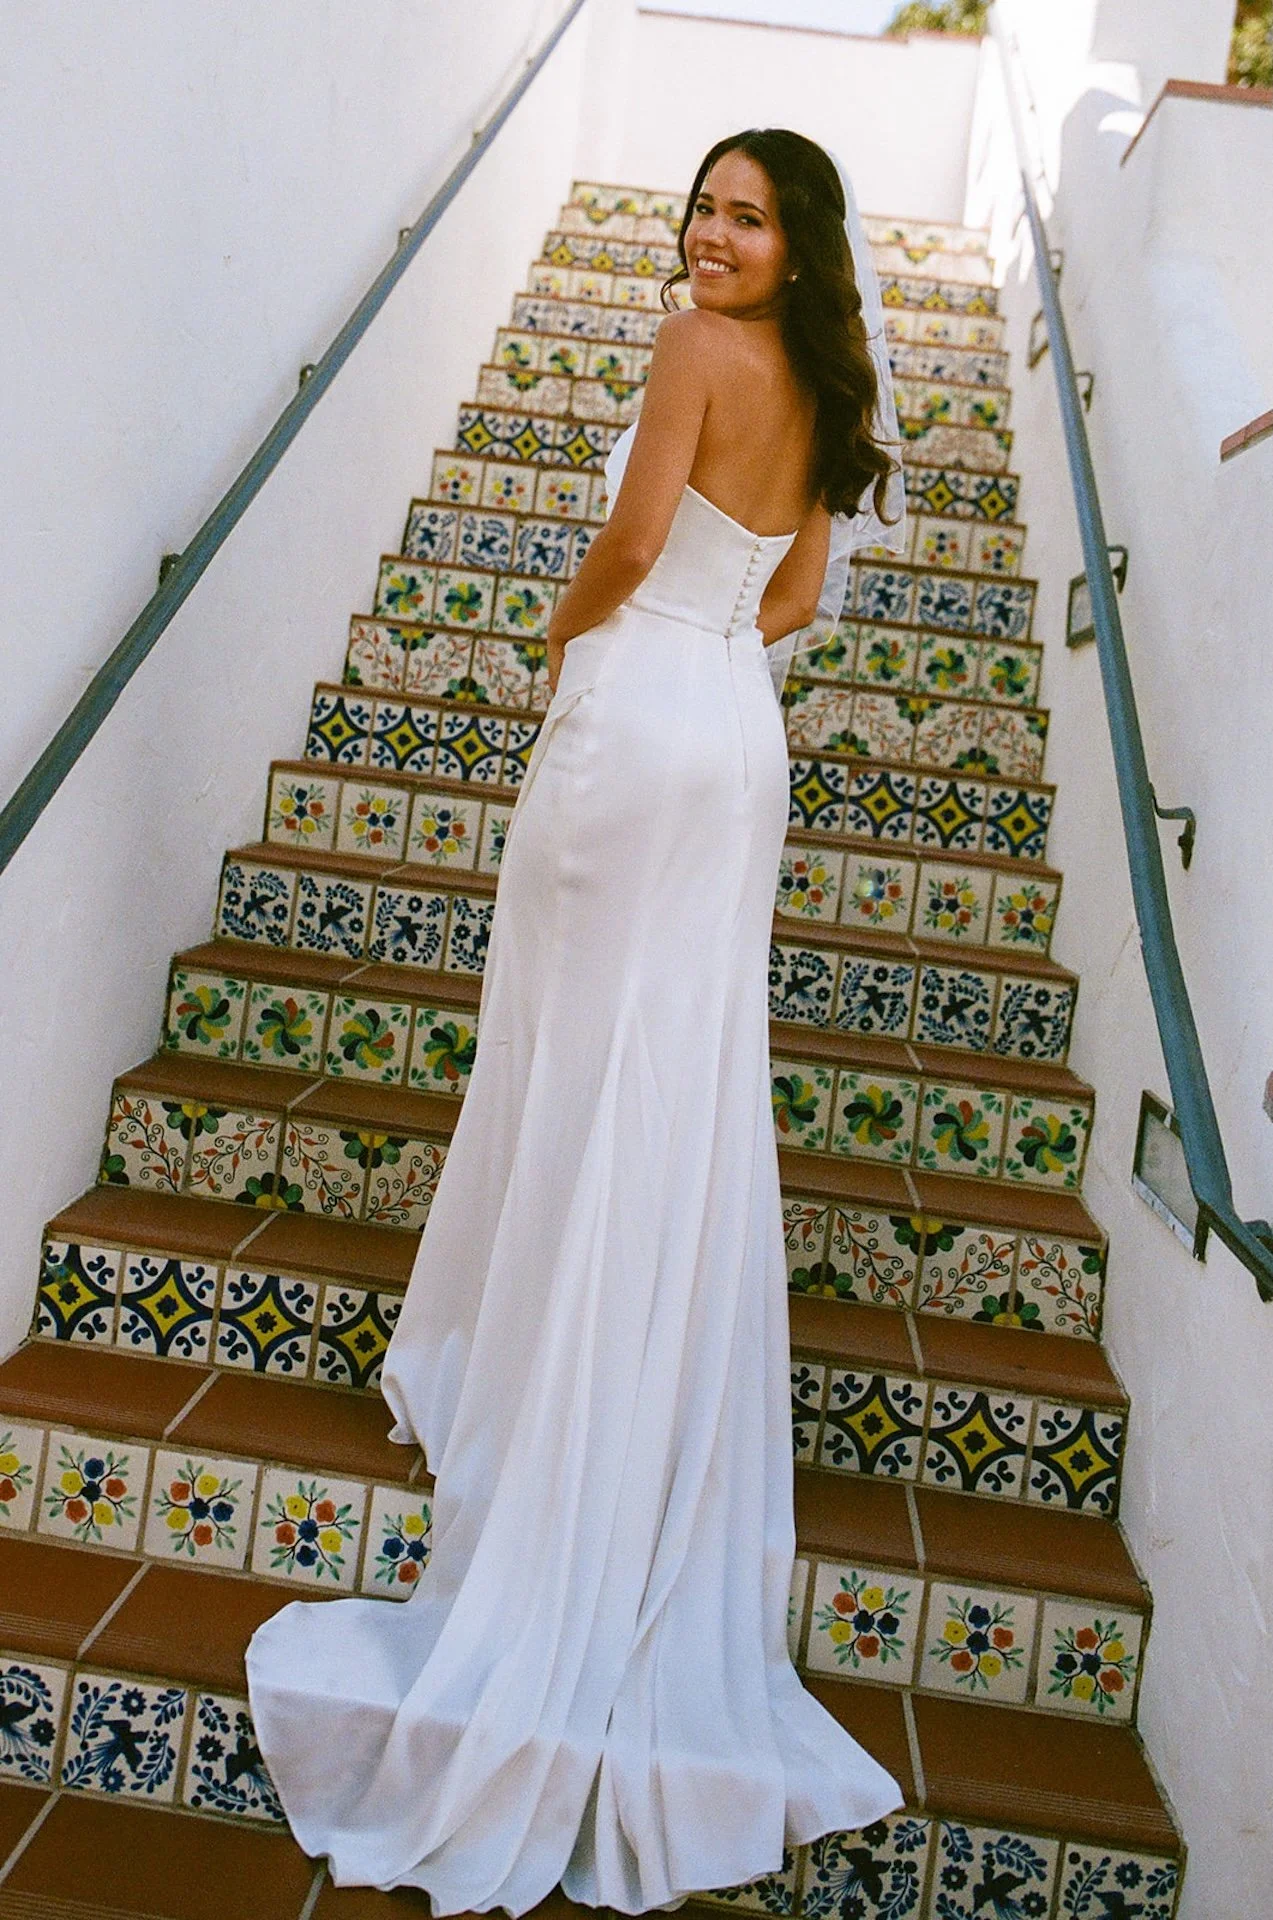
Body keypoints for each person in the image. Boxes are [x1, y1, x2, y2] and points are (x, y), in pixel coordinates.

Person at [245, 126, 907, 1918]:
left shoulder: (692, 351)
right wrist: (695, 658)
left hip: (634, 719)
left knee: (567, 1062)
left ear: (795, 243)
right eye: (702, 205)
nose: (710, 234)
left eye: (745, 216)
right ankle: (630, 1417)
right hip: (736, 738)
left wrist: (564, 651)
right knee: (669, 1084)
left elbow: (628, 542)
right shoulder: (835, 381)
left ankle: (539, 1395)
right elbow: (791, 601)